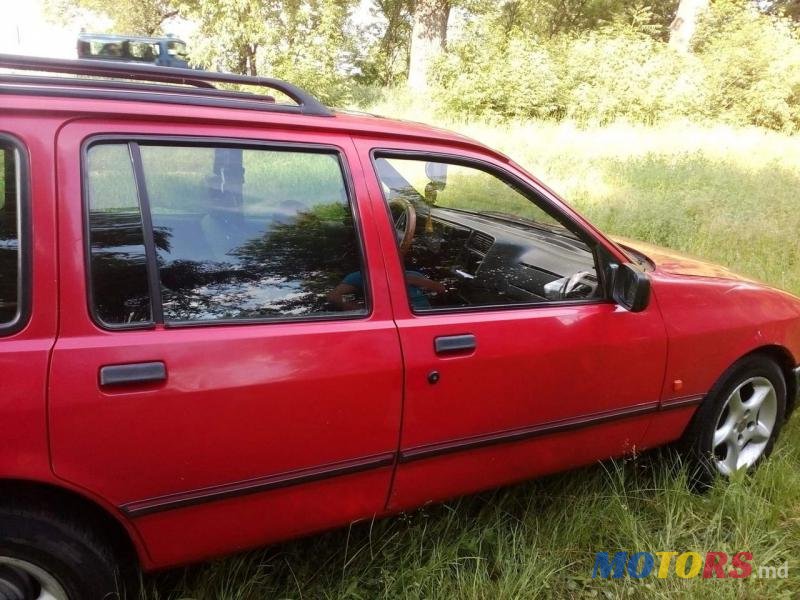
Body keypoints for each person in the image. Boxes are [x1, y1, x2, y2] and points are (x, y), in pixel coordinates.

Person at [329, 268, 445, 311]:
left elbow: (441, 289)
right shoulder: (361, 276)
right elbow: (334, 296)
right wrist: (360, 309)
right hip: (384, 322)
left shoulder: (411, 274)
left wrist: (412, 280)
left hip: (422, 318)